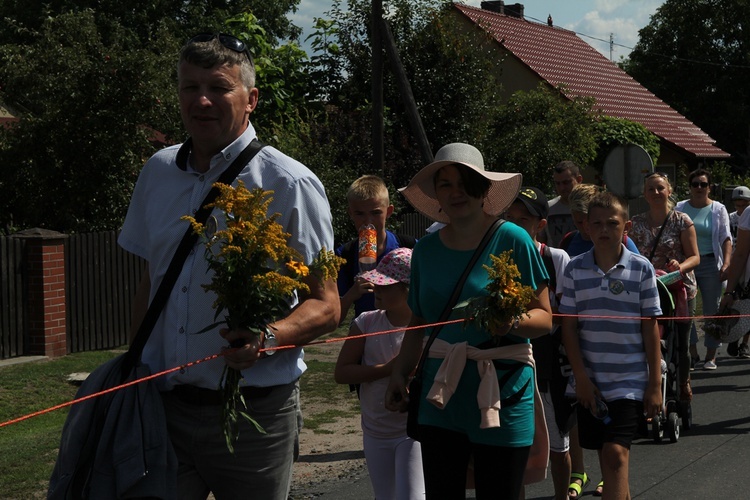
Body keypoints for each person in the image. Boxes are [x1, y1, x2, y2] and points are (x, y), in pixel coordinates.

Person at [118, 33, 340, 500]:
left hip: (253, 418)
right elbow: (151, 282)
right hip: (164, 409)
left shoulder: (290, 183)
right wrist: (133, 368)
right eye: (189, 86)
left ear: (251, 99)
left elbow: (327, 304)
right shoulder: (157, 172)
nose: (202, 100)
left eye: (218, 87)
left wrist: (268, 339)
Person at [385, 143, 553, 500]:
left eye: (464, 182)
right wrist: (400, 373)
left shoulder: (513, 239)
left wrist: (511, 322)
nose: (455, 192)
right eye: (445, 184)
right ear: (437, 196)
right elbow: (419, 322)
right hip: (440, 395)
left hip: (503, 390)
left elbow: (544, 319)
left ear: (483, 189)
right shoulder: (426, 252)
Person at [560, 191, 663, 500]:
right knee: (609, 462)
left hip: (629, 381)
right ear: (586, 227)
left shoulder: (641, 268)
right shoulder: (574, 269)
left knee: (615, 454)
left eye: (612, 223)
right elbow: (568, 327)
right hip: (590, 381)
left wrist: (655, 383)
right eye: (597, 224)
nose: (604, 230)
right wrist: (580, 377)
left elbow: (650, 328)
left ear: (626, 227)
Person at [334, 247, 425, 499]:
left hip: (412, 431)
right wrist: (387, 369)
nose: (377, 289)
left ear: (409, 290)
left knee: (413, 496)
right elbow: (341, 373)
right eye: (376, 283)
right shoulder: (366, 322)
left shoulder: (427, 327)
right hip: (375, 429)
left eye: (385, 285)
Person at [506, 187, 572, 500]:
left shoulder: (555, 258)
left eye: (525, 219)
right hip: (511, 359)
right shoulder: (498, 258)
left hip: (548, 362)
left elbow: (568, 313)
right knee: (512, 448)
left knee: (558, 444)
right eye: (511, 218)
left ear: (540, 224)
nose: (517, 225)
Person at [629, 172, 700, 401]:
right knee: (648, 338)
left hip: (678, 288)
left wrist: (679, 266)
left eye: (660, 188)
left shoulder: (682, 221)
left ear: (669, 191)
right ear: (644, 194)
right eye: (651, 189)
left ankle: (683, 381)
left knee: (680, 339)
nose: (656, 193)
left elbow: (695, 257)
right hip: (647, 289)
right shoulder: (636, 223)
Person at [336, 175, 416, 321]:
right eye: (359, 213)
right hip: (366, 335)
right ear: (350, 214)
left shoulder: (410, 248)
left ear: (389, 211)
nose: (368, 221)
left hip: (406, 333)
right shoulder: (344, 255)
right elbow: (333, 320)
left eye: (376, 213)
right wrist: (351, 294)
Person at [675, 169, 732, 370]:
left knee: (712, 310)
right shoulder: (680, 207)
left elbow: (726, 238)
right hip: (688, 263)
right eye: (695, 184)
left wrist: (726, 264)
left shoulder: (718, 209)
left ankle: (711, 355)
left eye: (703, 184)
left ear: (709, 187)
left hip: (710, 263)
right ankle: (691, 353)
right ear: (690, 187)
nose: (699, 188)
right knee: (686, 310)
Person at [724, 186, 750, 358]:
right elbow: (740, 252)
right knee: (740, 305)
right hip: (742, 268)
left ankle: (744, 343)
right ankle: (734, 334)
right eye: (737, 204)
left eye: (744, 203)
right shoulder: (735, 217)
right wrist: (729, 290)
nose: (740, 207)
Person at [542, 161, 583, 247]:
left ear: (579, 180)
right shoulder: (547, 208)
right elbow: (541, 242)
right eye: (557, 183)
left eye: (566, 182)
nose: (562, 188)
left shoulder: (592, 207)